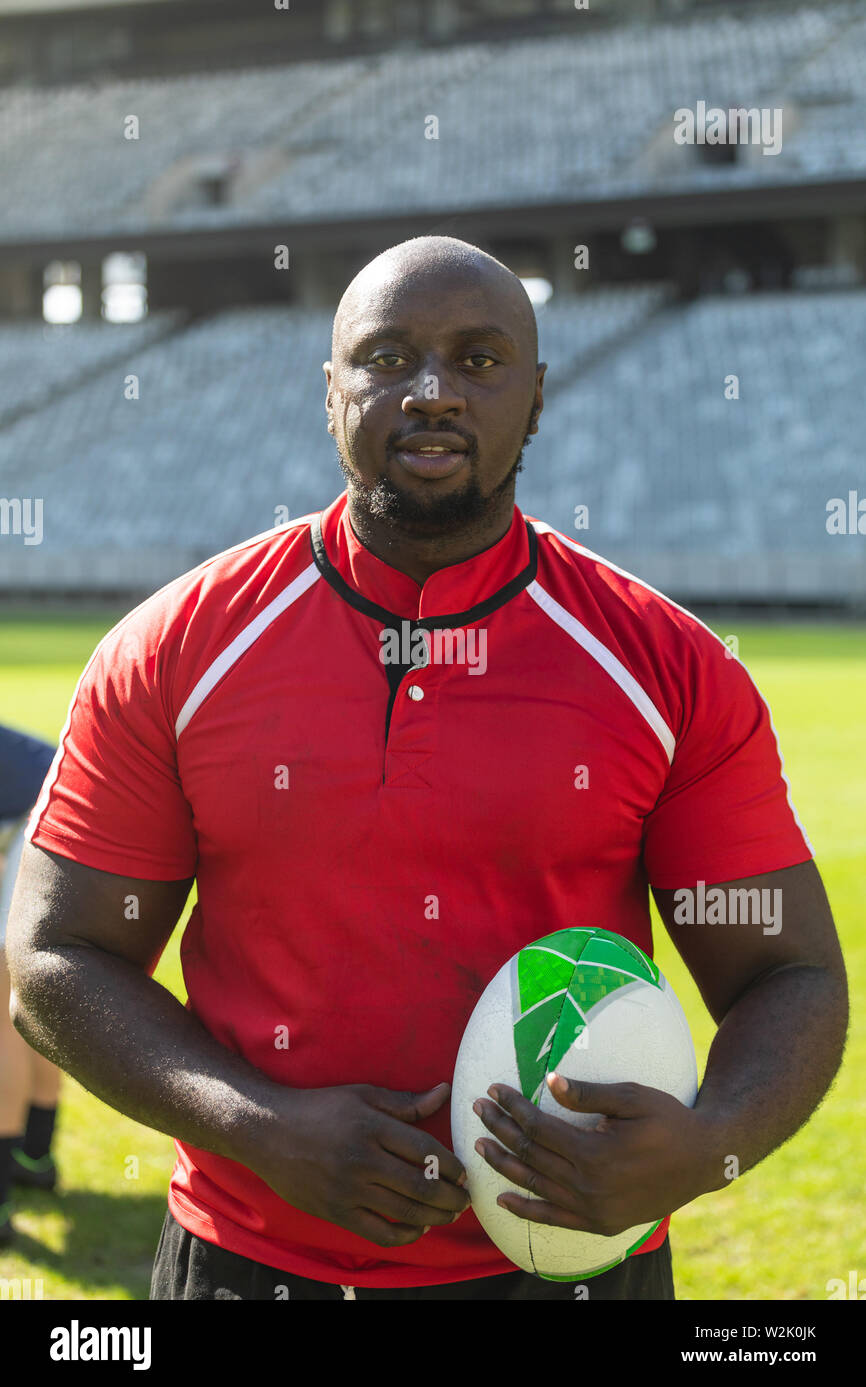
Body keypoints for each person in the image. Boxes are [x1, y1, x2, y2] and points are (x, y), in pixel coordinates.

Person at [6, 237, 848, 1300]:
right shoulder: (178, 648)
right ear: (330, 392)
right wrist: (260, 1127)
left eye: (480, 360)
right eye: (388, 356)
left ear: (536, 396)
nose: (434, 391)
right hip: (252, 1265)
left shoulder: (664, 666)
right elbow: (55, 955)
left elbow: (787, 973)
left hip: (573, 1270)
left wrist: (708, 1139)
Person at [0, 723, 62, 1246]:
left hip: (35, 819)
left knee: (3, 1009)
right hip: (64, 806)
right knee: (32, 1000)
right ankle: (35, 1158)